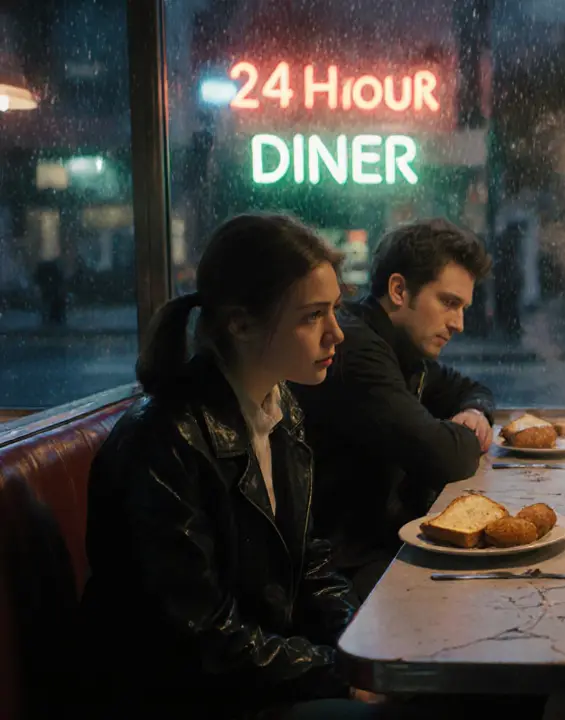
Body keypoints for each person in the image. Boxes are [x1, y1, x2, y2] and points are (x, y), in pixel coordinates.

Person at [79, 214, 387, 718]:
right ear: (241, 324)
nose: (337, 334)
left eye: (335, 310)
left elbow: (308, 562)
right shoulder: (165, 440)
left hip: (256, 675)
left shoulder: (276, 403)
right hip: (189, 698)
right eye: (312, 316)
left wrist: (358, 645)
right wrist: (339, 672)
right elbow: (200, 636)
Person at [291, 218, 494, 599]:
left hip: (374, 547)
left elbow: (471, 389)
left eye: (464, 308)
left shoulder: (404, 349)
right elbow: (442, 456)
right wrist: (466, 435)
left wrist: (476, 412)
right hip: (341, 570)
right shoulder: (356, 349)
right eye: (449, 303)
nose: (459, 324)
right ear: (399, 290)